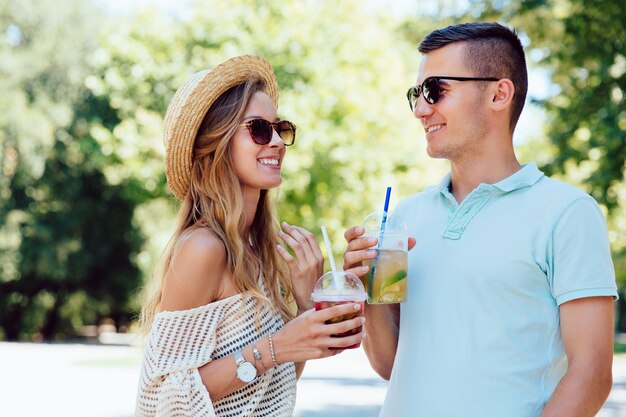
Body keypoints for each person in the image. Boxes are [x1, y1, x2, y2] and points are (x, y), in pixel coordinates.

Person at [343, 22, 617, 417]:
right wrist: (368, 289)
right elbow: (390, 365)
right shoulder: (406, 216)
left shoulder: (567, 213)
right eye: (415, 94)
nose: (421, 109)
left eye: (436, 90)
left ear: (498, 93)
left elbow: (591, 374)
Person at [135, 55, 365, 417]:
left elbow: (274, 389)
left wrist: (307, 307)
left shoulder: (261, 251)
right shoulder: (203, 248)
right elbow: (160, 401)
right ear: (217, 143)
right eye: (259, 128)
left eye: (281, 128)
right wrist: (275, 346)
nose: (276, 141)